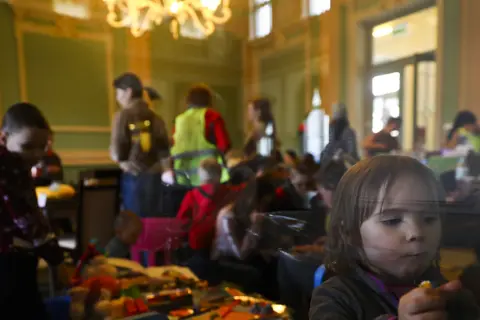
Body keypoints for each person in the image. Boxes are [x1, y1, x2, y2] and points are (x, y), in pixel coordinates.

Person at [309, 155, 479, 320]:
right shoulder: (334, 297)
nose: (416, 233)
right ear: (349, 233)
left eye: (429, 219)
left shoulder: (451, 293)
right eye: (392, 221)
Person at [0, 102, 63, 319]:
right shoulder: (8, 166)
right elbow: (27, 219)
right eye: (28, 146)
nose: (36, 154)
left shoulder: (17, 164)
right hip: (9, 260)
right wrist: (56, 256)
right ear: (3, 138)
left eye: (42, 147)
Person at [277, 160, 347, 320]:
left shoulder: (346, 213)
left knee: (286, 262)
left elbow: (341, 253)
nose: (321, 197)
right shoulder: (342, 209)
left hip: (337, 271)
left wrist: (310, 249)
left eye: (323, 193)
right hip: (334, 264)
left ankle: (291, 314)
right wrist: (326, 240)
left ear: (334, 189)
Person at [110, 73, 170, 214]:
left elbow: (119, 152)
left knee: (134, 226)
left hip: (133, 178)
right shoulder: (155, 117)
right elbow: (164, 149)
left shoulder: (123, 115)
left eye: (118, 92)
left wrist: (115, 156)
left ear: (128, 92)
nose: (117, 97)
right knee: (152, 224)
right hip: (155, 178)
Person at [213, 173, 279, 299]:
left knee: (275, 264)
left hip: (246, 257)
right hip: (226, 260)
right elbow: (241, 254)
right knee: (257, 273)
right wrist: (255, 226)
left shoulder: (249, 212)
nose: (264, 208)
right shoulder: (228, 216)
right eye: (263, 203)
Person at [177, 158, 238, 280]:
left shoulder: (192, 195)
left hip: (199, 247)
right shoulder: (231, 194)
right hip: (226, 248)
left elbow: (181, 223)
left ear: (201, 175)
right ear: (220, 175)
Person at [171, 84, 231, 186]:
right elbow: (224, 145)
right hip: (209, 177)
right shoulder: (212, 116)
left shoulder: (179, 119)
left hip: (183, 179)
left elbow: (173, 146)